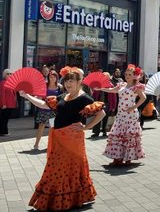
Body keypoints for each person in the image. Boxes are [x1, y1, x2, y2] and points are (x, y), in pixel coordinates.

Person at [19, 66, 105, 211]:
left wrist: (86, 127)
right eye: (66, 81)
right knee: (57, 168)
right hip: (58, 137)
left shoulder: (85, 98)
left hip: (72, 140)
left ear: (79, 81)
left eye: (71, 81)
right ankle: (62, 197)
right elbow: (44, 105)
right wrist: (27, 96)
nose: (68, 84)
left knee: (64, 168)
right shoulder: (63, 96)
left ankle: (65, 198)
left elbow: (101, 113)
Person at [98, 64, 146, 166]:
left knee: (128, 136)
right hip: (120, 114)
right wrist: (101, 89)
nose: (127, 76)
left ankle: (128, 158)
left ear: (134, 76)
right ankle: (117, 158)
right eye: (126, 74)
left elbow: (143, 98)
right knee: (118, 135)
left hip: (131, 114)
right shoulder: (121, 85)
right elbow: (112, 90)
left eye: (130, 74)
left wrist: (133, 107)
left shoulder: (136, 87)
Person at [33, 70, 62, 150]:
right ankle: (36, 144)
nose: (52, 78)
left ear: (57, 78)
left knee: (52, 128)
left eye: (54, 77)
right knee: (41, 126)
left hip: (54, 111)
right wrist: (35, 98)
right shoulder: (44, 86)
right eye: (50, 77)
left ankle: (51, 144)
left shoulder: (60, 87)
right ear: (48, 78)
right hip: (44, 109)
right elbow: (39, 96)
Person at [0, 69, 16, 136]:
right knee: (4, 119)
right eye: (8, 74)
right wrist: (3, 104)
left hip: (11, 104)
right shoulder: (3, 82)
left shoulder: (11, 82)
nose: (9, 75)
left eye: (10, 74)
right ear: (4, 75)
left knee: (6, 119)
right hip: (6, 105)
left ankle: (4, 131)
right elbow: (2, 94)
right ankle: (3, 132)